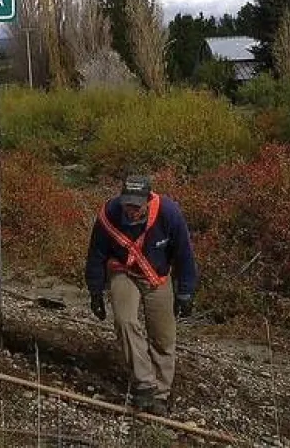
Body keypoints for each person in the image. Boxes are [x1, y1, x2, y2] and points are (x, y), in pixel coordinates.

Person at [84, 174, 198, 417]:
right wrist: (95, 291)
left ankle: (160, 395)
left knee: (163, 337)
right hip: (123, 272)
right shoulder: (109, 215)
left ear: (148, 200)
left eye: (137, 205)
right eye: (128, 204)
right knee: (125, 321)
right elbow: (96, 254)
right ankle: (144, 382)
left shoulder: (169, 214)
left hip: (157, 276)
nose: (131, 210)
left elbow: (184, 254)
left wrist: (186, 291)